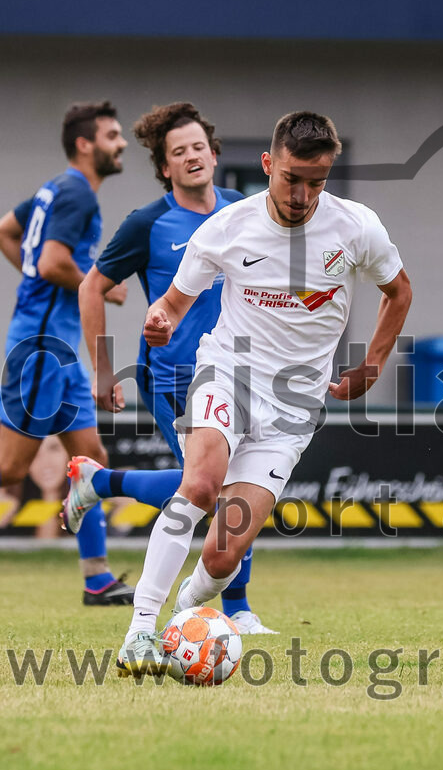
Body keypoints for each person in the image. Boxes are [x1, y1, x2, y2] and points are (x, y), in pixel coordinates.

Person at [116, 110, 412, 676]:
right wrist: (159, 321)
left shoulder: (356, 227)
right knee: (200, 484)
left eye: (316, 182)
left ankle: (182, 617)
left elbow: (398, 291)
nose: (302, 195)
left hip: (294, 408)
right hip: (228, 373)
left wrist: (372, 365)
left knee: (222, 555)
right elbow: (172, 304)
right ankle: (141, 629)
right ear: (268, 164)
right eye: (292, 179)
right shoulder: (226, 228)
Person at [63, 102, 275, 634]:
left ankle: (98, 481)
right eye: (178, 152)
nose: (191, 156)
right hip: (174, 377)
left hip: (240, 370)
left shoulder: (242, 211)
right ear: (164, 166)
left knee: (220, 486)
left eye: (198, 146)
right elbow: (91, 286)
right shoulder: (147, 223)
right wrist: (103, 371)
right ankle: (237, 609)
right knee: (213, 486)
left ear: (214, 153)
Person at [0, 101, 133, 605]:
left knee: (90, 460)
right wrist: (100, 287)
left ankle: (97, 580)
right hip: (40, 349)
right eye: (112, 135)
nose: (121, 143)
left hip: (60, 352)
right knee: (10, 471)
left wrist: (38, 280)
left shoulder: (55, 188)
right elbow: (55, 262)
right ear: (85, 144)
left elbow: (6, 231)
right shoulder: (76, 192)